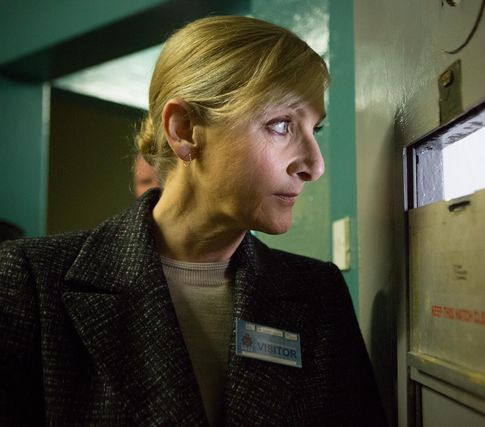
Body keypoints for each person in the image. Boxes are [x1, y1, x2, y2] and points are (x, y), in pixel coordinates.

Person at [0, 15, 387, 426]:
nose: (315, 165)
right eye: (281, 125)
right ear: (184, 129)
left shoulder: (318, 293)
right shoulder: (29, 281)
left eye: (315, 129)